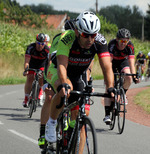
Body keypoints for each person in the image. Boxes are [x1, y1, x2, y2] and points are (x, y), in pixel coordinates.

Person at [44, 11, 114, 153]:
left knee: (80, 122)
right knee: (65, 89)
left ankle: (71, 135)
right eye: (85, 35)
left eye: (92, 35)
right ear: (77, 31)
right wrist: (64, 83)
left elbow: (107, 67)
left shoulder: (100, 41)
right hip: (58, 69)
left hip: (79, 73)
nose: (89, 39)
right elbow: (62, 64)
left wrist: (111, 88)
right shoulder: (67, 38)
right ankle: (51, 123)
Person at [38, 19, 79, 149]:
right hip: (54, 68)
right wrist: (46, 82)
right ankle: (43, 133)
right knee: (49, 97)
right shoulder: (60, 38)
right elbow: (51, 60)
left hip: (70, 72)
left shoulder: (82, 42)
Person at [103, 28, 140, 124]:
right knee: (108, 86)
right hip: (112, 63)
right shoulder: (112, 44)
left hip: (123, 62)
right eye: (121, 41)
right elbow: (108, 62)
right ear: (117, 39)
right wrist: (108, 76)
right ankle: (107, 115)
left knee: (129, 77)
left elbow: (131, 63)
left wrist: (135, 76)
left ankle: (123, 93)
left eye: (125, 41)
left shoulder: (130, 46)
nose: (123, 43)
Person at [22, 33, 49, 107]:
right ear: (35, 42)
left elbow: (49, 63)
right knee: (30, 77)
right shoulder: (31, 47)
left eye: (42, 43)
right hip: (32, 64)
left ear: (45, 43)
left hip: (42, 65)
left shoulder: (47, 50)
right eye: (38, 43)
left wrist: (47, 73)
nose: (40, 45)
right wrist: (26, 70)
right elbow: (27, 61)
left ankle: (40, 93)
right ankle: (26, 98)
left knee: (42, 77)